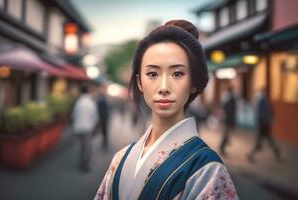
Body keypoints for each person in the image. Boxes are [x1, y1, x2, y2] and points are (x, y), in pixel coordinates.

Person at [94, 20, 238, 200]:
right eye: (152, 74)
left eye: (177, 73)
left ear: (193, 82)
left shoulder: (207, 169)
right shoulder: (120, 159)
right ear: (140, 82)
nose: (163, 87)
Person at [247, 89, 281, 162]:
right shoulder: (265, 101)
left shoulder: (262, 101)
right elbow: (272, 112)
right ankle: (276, 151)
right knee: (267, 140)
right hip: (265, 124)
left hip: (263, 124)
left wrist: (263, 121)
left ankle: (251, 155)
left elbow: (263, 113)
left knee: (262, 141)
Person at [71, 84, 98, 172]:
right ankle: (84, 164)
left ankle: (82, 162)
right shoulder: (91, 103)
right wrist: (95, 127)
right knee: (88, 147)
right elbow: (95, 117)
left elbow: (73, 116)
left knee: (83, 146)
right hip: (87, 128)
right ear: (88, 92)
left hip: (78, 127)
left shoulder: (77, 103)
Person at [219, 86, 237, 156]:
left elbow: (225, 107)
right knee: (226, 133)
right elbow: (230, 110)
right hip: (229, 119)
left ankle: (224, 145)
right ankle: (222, 147)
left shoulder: (227, 98)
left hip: (228, 119)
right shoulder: (231, 99)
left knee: (226, 133)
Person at [96, 83, 110, 149]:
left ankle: (104, 142)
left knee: (103, 130)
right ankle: (105, 142)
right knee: (104, 131)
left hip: (102, 117)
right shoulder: (103, 100)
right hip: (104, 118)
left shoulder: (99, 100)